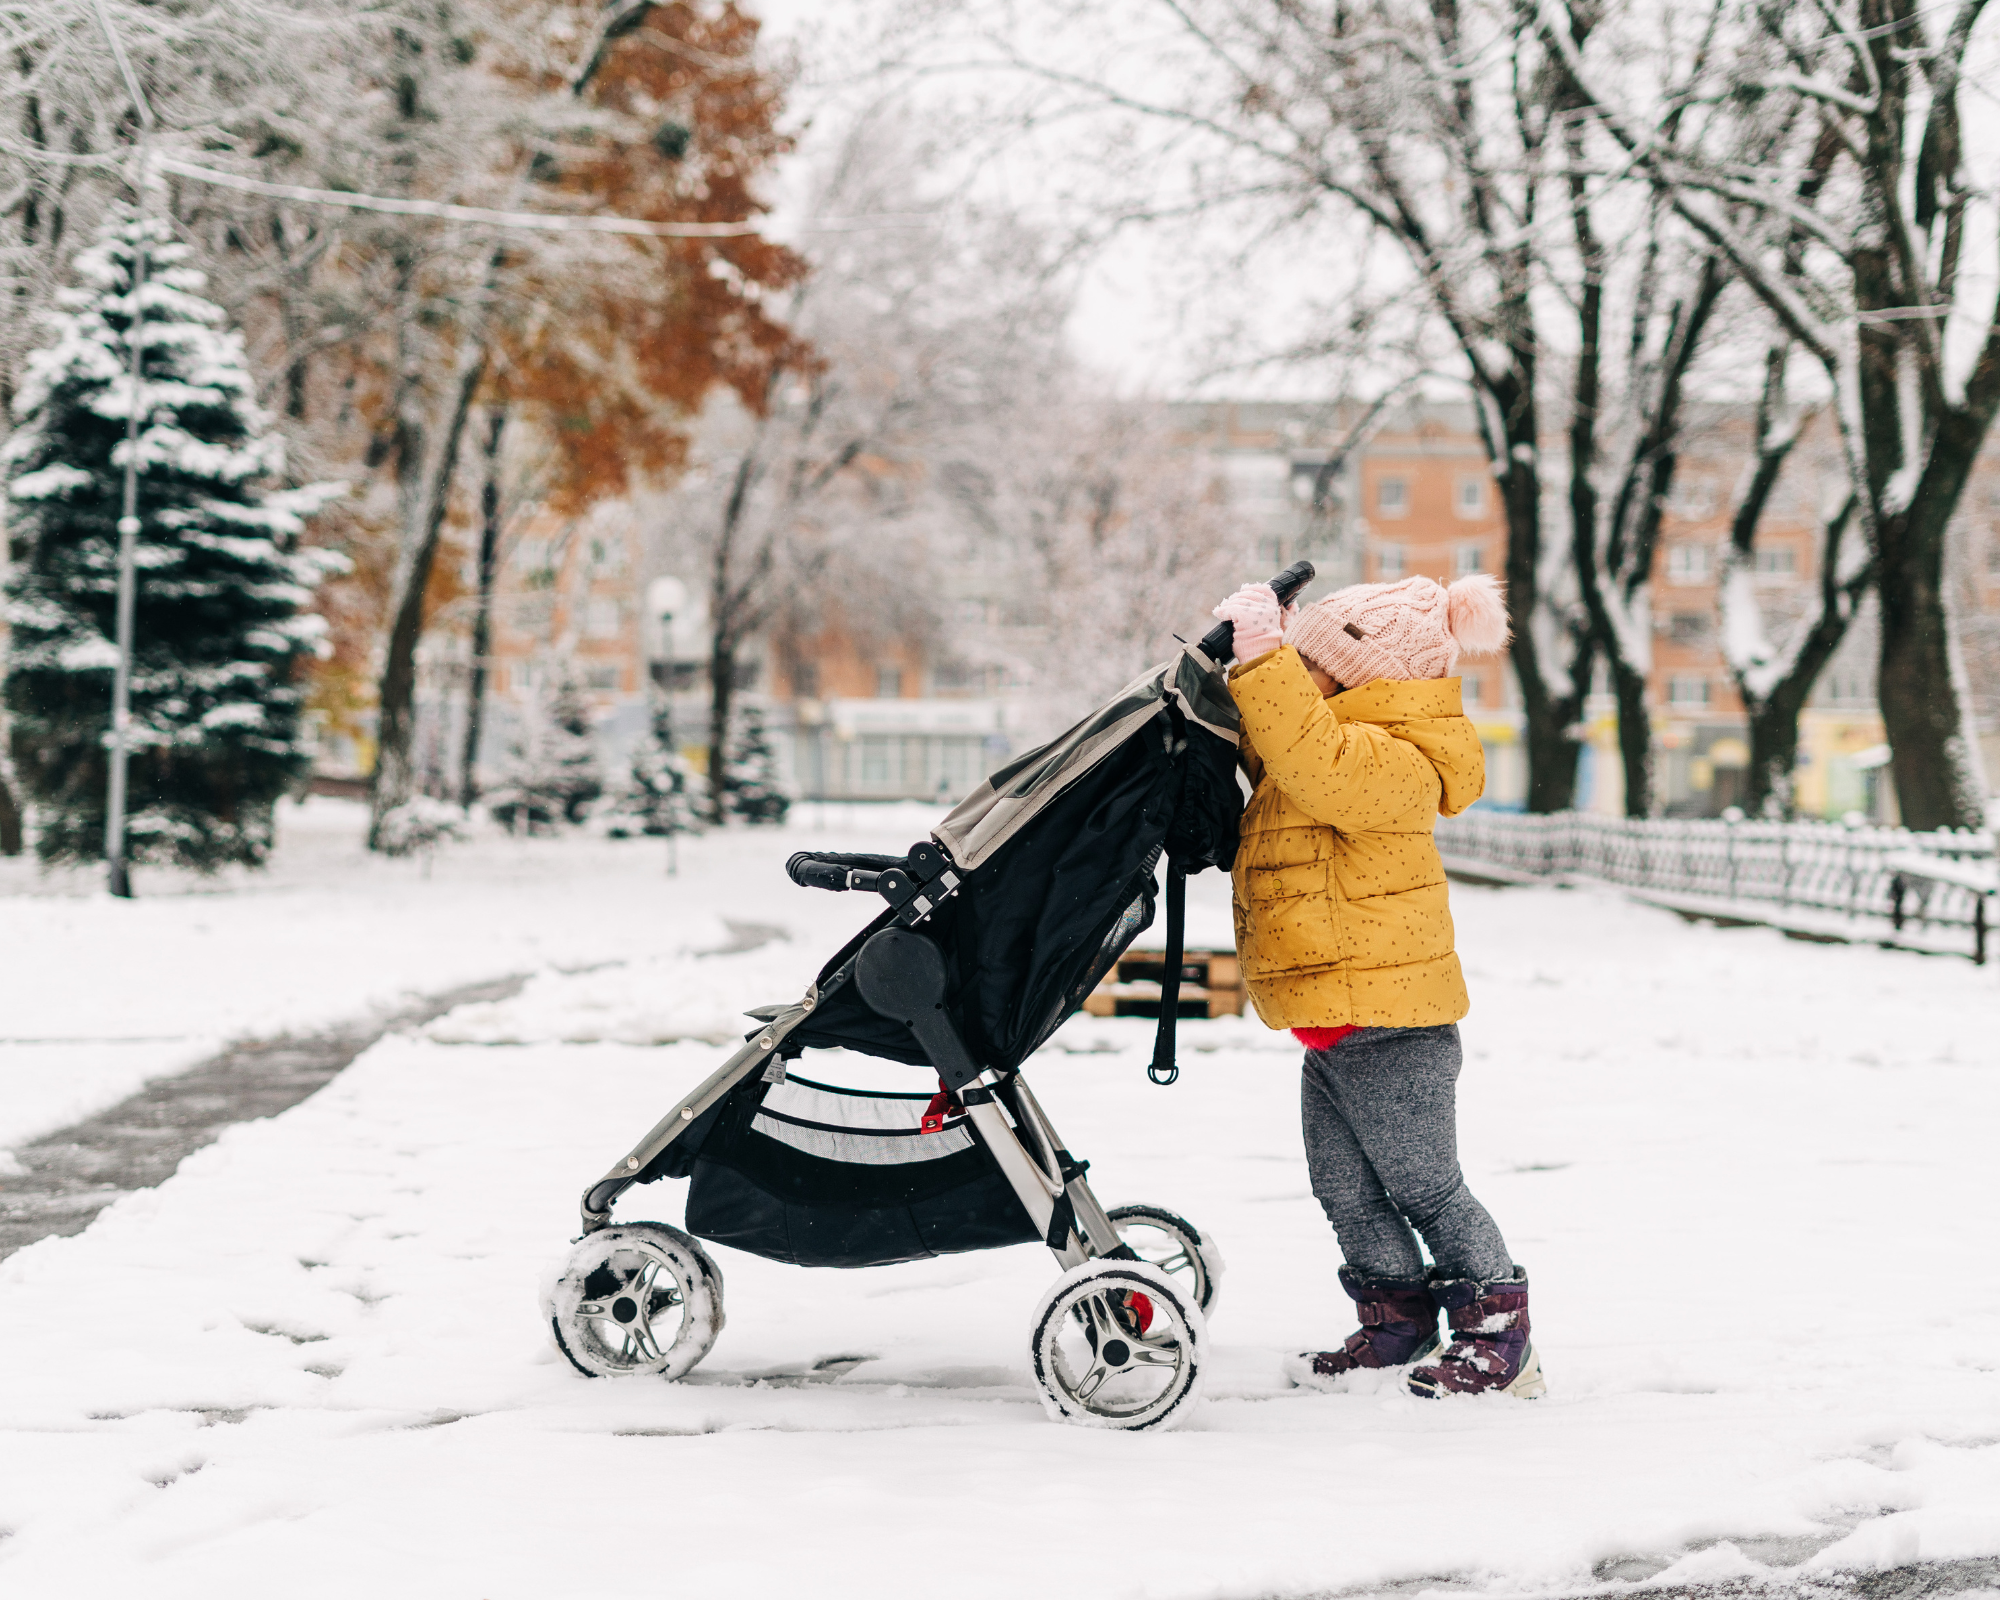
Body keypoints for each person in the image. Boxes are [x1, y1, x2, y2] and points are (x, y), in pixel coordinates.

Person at [1208, 572, 1543, 1399]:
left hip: (1395, 1022)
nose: (1304, 680)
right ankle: (1395, 1321)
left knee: (1427, 1187)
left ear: (1367, 682)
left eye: (1316, 667)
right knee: (1345, 1191)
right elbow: (1272, 742)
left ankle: (1504, 1338)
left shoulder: (1397, 763)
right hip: (1335, 1023)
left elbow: (1314, 757)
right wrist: (1272, 650)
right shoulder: (1327, 740)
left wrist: (1264, 657)